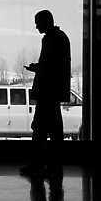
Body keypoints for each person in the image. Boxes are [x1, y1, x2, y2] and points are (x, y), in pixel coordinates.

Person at [20, 9, 71, 179]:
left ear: (45, 21)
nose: (36, 26)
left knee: (42, 128)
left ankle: (41, 164)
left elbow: (52, 67)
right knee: (51, 129)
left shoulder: (53, 40)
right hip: (52, 92)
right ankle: (50, 166)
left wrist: (39, 68)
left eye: (37, 22)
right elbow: (57, 66)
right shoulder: (58, 38)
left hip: (48, 91)